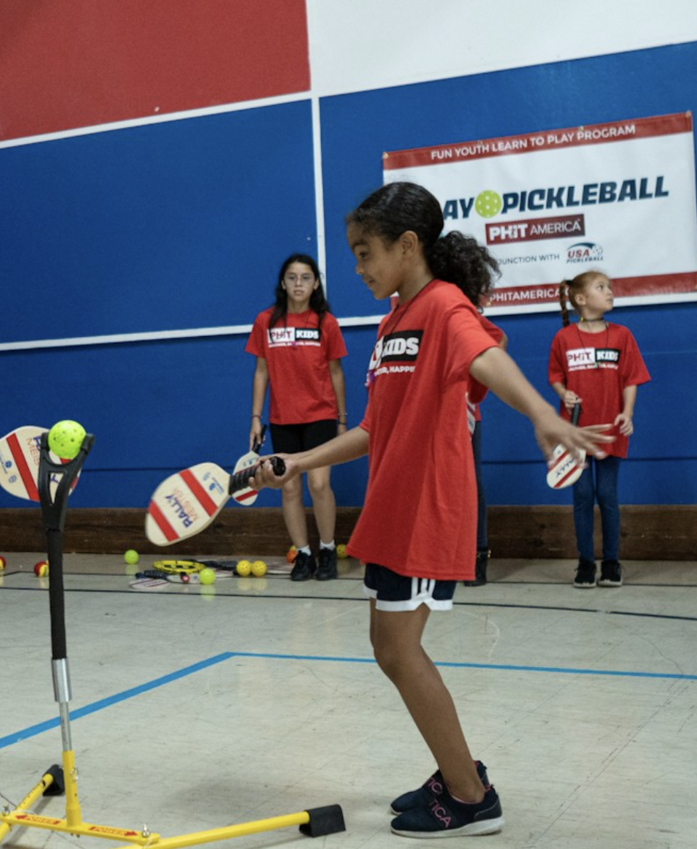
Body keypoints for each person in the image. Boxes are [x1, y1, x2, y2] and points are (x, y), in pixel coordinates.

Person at [254, 182, 609, 838]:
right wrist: (301, 462)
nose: (356, 267)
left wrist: (540, 414)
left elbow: (487, 355)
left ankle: (471, 796)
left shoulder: (443, 306)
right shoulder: (393, 322)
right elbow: (373, 427)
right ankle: (456, 773)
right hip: (391, 506)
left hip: (425, 507)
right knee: (388, 648)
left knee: (398, 649)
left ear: (408, 245)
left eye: (365, 252)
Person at [245, 253, 348, 580]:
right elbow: (261, 371)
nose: (299, 283)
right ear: (283, 283)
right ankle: (304, 555)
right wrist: (256, 417)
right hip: (282, 418)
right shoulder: (266, 321)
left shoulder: (325, 322)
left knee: (319, 485)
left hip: (320, 416)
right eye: (292, 277)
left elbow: (337, 373)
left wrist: (342, 421)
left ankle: (328, 549)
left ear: (315, 283)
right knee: (289, 489)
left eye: (305, 277)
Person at [548, 270, 649, 589]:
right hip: (574, 431)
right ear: (581, 299)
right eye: (602, 287)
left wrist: (628, 413)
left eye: (610, 287)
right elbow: (555, 376)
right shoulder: (562, 338)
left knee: (607, 495)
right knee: (581, 496)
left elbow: (632, 378)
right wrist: (563, 393)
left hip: (610, 430)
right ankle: (585, 563)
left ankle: (611, 563)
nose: (610, 292)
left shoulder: (622, 335)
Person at [464, 314, 507, 587]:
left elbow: (498, 338)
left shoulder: (462, 312)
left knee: (471, 484)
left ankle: (478, 553)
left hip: (465, 413)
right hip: (429, 415)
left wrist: (479, 379)